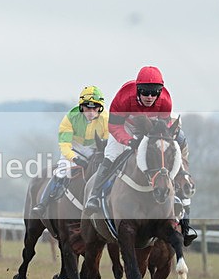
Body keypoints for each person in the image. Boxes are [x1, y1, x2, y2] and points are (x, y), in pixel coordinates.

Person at [84, 66, 195, 245]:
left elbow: (161, 130)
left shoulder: (165, 100)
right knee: (111, 156)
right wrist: (129, 141)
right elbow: (114, 127)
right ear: (137, 89)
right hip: (124, 126)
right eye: (145, 92)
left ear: (160, 91)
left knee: (163, 154)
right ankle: (95, 196)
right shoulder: (123, 97)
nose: (150, 97)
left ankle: (180, 199)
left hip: (150, 128)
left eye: (154, 93)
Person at [32, 86, 108, 216]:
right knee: (61, 171)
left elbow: (106, 142)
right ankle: (42, 204)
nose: (91, 112)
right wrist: (75, 159)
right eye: (87, 107)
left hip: (94, 150)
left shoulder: (106, 118)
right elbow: (64, 145)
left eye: (95, 108)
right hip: (74, 149)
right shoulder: (70, 117)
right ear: (81, 106)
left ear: (100, 108)